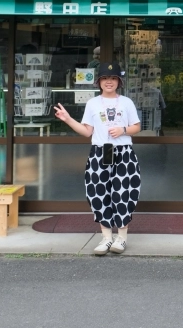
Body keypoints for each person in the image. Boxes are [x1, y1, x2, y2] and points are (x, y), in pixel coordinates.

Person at [54, 62, 141, 255]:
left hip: (123, 152)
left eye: (113, 78)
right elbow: (86, 132)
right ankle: (106, 238)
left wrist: (123, 130)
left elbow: (137, 126)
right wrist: (67, 119)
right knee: (98, 193)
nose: (109, 82)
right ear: (99, 82)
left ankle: (122, 238)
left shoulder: (126, 102)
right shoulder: (93, 103)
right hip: (100, 152)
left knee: (123, 193)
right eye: (105, 78)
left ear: (119, 81)